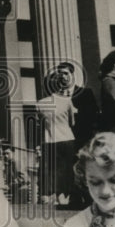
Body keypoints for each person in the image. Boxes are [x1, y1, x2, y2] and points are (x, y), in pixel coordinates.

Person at [35, 65, 76, 206]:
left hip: (49, 139)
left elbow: (39, 125)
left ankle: (50, 196)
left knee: (51, 169)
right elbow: (72, 122)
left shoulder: (39, 104)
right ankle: (63, 195)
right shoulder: (67, 101)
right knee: (66, 169)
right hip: (67, 138)